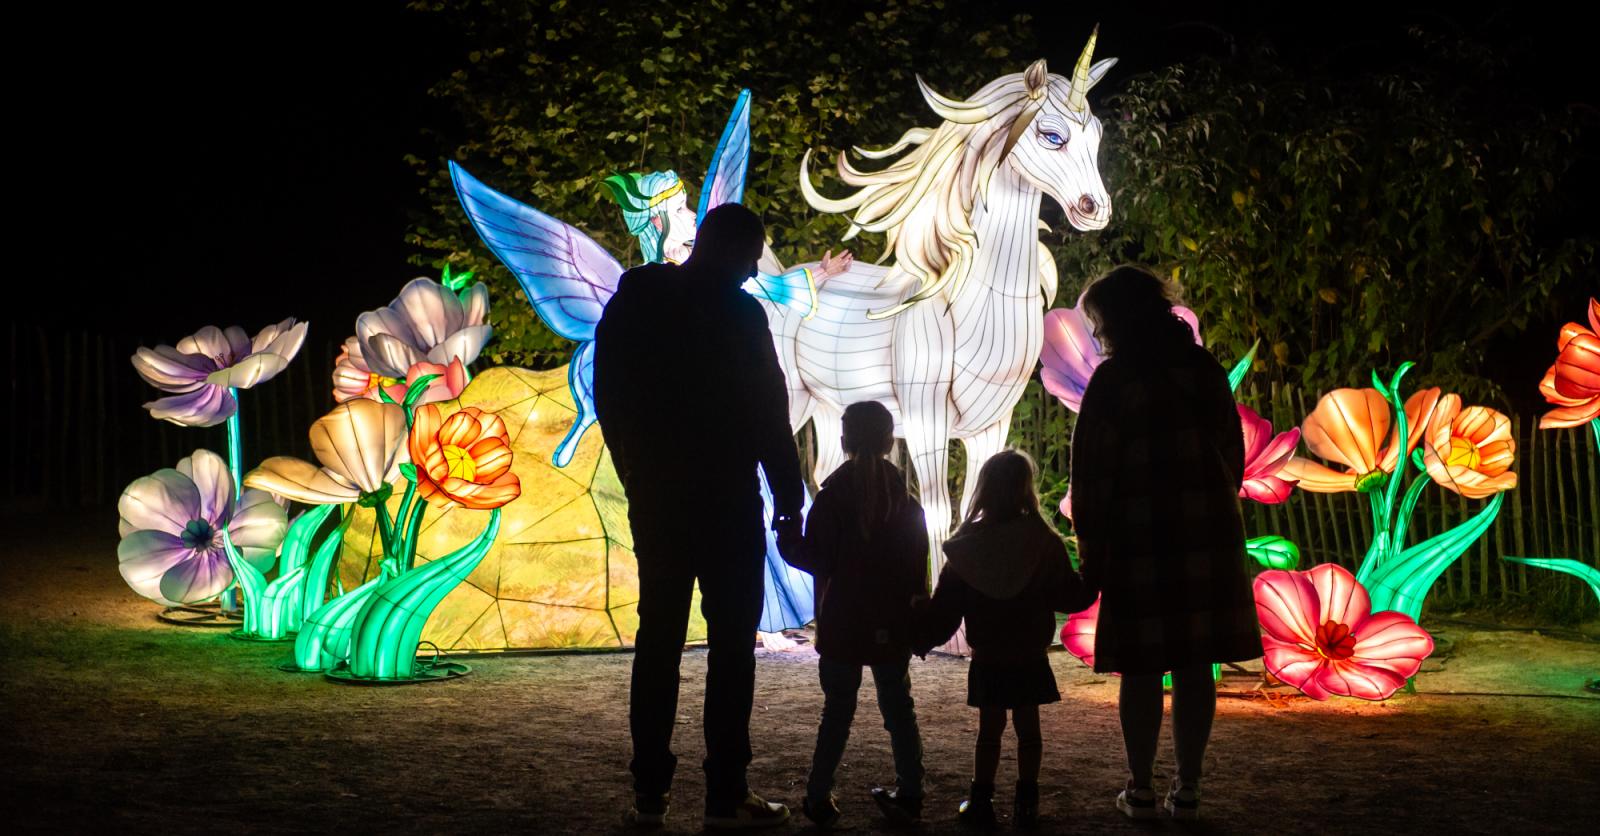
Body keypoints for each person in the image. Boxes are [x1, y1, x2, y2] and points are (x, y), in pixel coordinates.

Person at [593, 203, 805, 830]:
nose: (749, 274)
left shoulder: (638, 300)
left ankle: (650, 795)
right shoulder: (742, 316)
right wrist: (788, 496)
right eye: (752, 259)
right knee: (732, 647)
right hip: (727, 498)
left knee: (658, 638)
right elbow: (769, 409)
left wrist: (636, 470)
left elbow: (611, 395)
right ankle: (724, 793)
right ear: (740, 253)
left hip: (659, 497)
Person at [1068, 265, 1261, 820]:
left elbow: (1092, 476)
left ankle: (1142, 786)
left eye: (1099, 322)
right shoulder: (1202, 369)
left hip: (1137, 538)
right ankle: (1190, 786)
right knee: (1197, 663)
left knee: (1143, 666)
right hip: (1206, 536)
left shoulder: (1113, 382)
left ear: (1116, 320)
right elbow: (1233, 454)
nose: (1098, 334)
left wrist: (1093, 552)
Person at [915, 450, 1088, 831]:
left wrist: (917, 633)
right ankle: (1027, 803)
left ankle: (981, 801)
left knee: (988, 733)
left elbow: (945, 611)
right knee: (1030, 732)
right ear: (1026, 489)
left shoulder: (966, 547)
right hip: (1029, 653)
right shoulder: (1042, 543)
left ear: (984, 490)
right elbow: (1069, 597)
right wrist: (1094, 565)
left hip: (989, 655)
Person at [777, 400, 927, 829]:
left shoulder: (830, 500)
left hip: (841, 621)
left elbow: (815, 557)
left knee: (837, 712)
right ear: (888, 441)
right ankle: (911, 793)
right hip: (891, 623)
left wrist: (786, 532)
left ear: (842, 441)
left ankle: (818, 795)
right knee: (899, 708)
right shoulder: (905, 502)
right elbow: (917, 572)